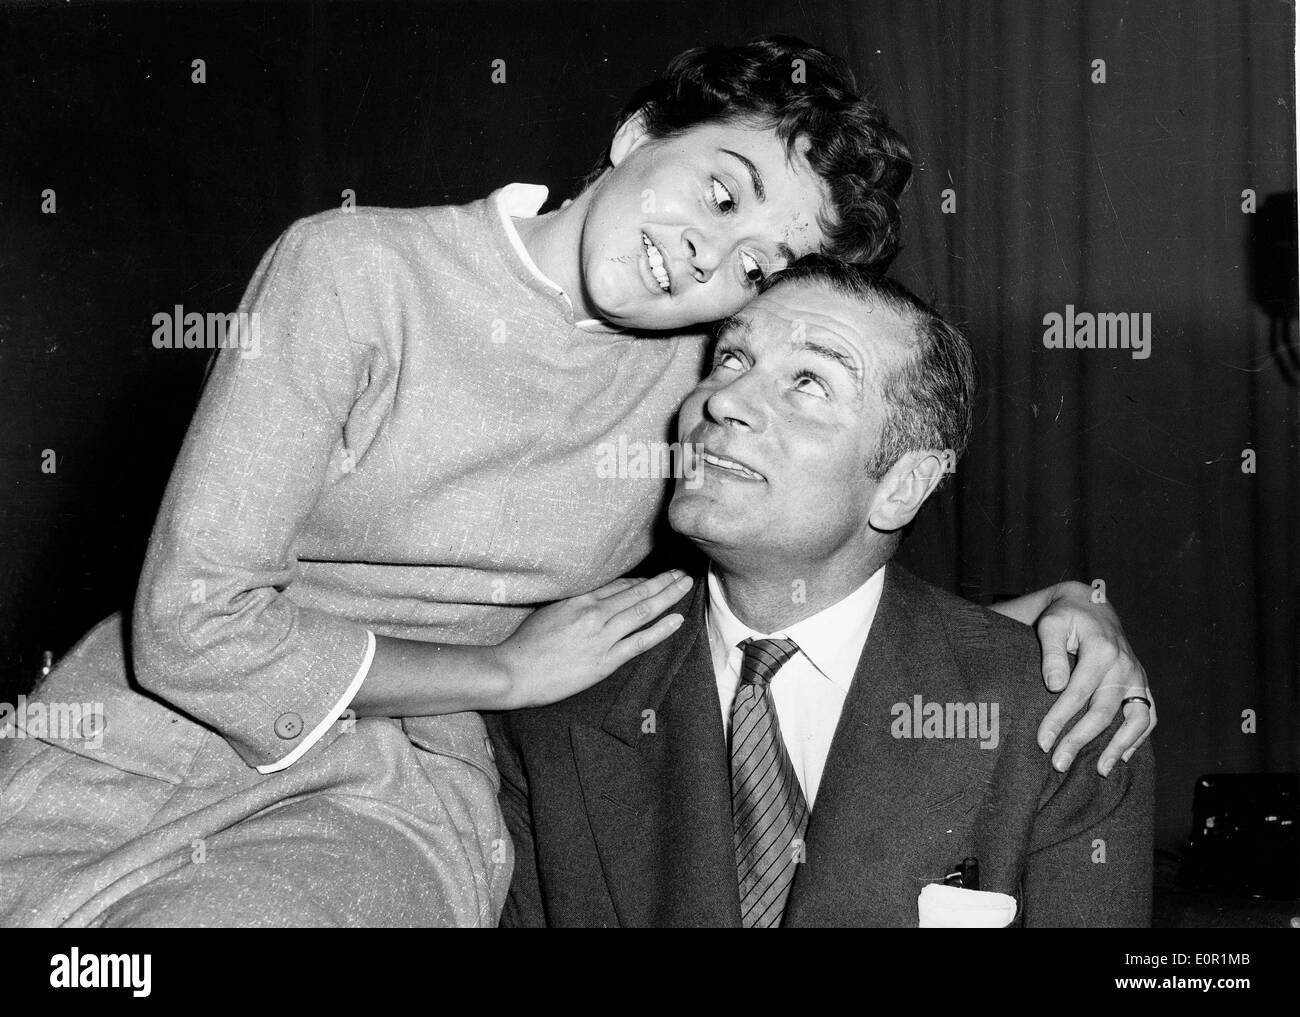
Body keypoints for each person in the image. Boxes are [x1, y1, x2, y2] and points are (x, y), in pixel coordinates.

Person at [0, 38, 1151, 929]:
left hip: (404, 791)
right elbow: (192, 628)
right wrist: (501, 667)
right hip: (153, 735)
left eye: (758, 265)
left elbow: (796, 562)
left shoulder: (701, 373)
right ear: (639, 128)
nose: (715, 256)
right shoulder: (358, 270)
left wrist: (1048, 614)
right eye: (721, 190)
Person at [488, 259, 1154, 927]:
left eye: (808, 381)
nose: (723, 400)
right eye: (730, 358)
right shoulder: (554, 699)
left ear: (902, 486)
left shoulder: (1065, 717)